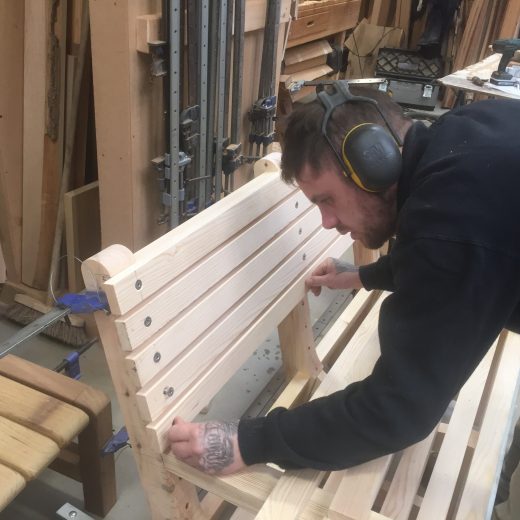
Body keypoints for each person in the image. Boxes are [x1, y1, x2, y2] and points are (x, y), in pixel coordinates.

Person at [168, 84, 520, 513]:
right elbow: (449, 254)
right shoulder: (464, 135)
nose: (327, 222)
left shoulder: (452, 219)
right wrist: (362, 276)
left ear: (376, 163)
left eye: (327, 199)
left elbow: (398, 410)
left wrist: (246, 442)